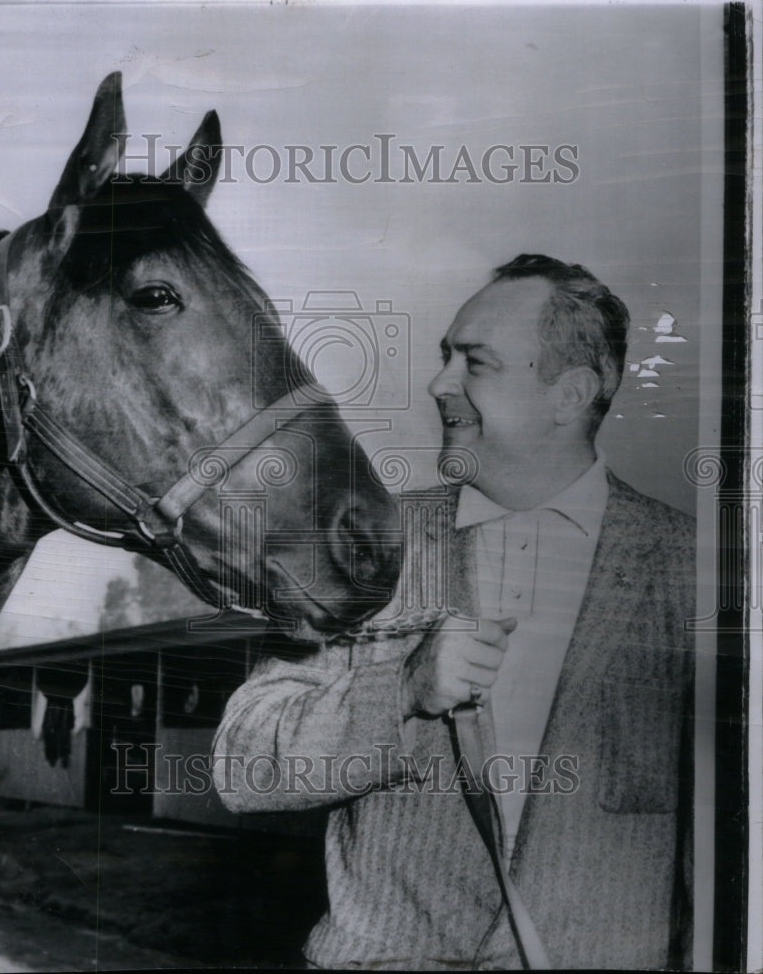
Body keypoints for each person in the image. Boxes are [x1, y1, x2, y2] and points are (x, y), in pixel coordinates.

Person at [212, 254, 694, 970]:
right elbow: (242, 766)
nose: (439, 384)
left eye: (476, 364)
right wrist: (399, 689)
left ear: (571, 393)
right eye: (446, 359)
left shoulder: (695, 569)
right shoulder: (366, 548)